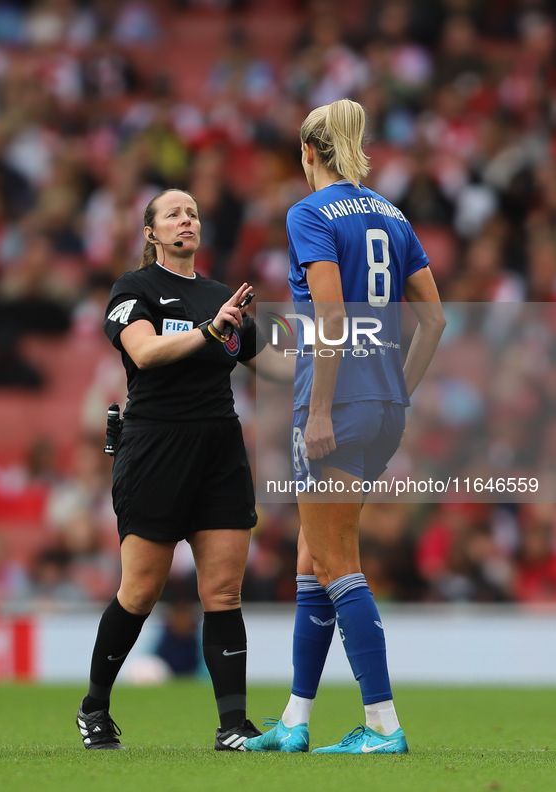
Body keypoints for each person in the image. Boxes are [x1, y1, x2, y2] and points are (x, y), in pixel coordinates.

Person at [244, 99, 446, 754]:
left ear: (308, 153)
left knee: (334, 561)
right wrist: (398, 392)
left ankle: (383, 724)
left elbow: (329, 316)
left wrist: (323, 410)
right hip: (383, 405)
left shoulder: (307, 213)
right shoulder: (391, 214)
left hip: (335, 404)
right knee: (312, 554)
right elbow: (435, 320)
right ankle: (296, 721)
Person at [76, 188, 291, 751]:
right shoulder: (134, 289)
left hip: (219, 449)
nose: (186, 219)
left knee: (223, 591)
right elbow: (143, 353)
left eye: (193, 211)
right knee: (140, 590)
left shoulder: (224, 296)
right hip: (154, 449)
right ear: (151, 233)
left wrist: (335, 354)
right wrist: (210, 331)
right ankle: (94, 707)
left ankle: (233, 726)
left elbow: (274, 365)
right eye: (172, 213)